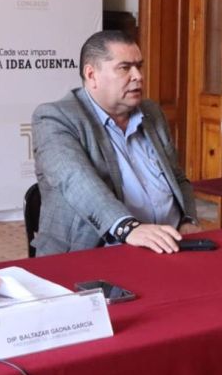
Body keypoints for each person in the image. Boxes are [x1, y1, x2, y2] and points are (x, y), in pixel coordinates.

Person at [31, 29, 200, 254]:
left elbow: (177, 177)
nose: (138, 76)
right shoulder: (55, 118)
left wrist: (188, 219)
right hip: (98, 253)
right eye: (124, 68)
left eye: (139, 66)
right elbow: (77, 181)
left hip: (170, 245)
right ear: (92, 75)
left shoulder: (151, 112)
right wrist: (127, 228)